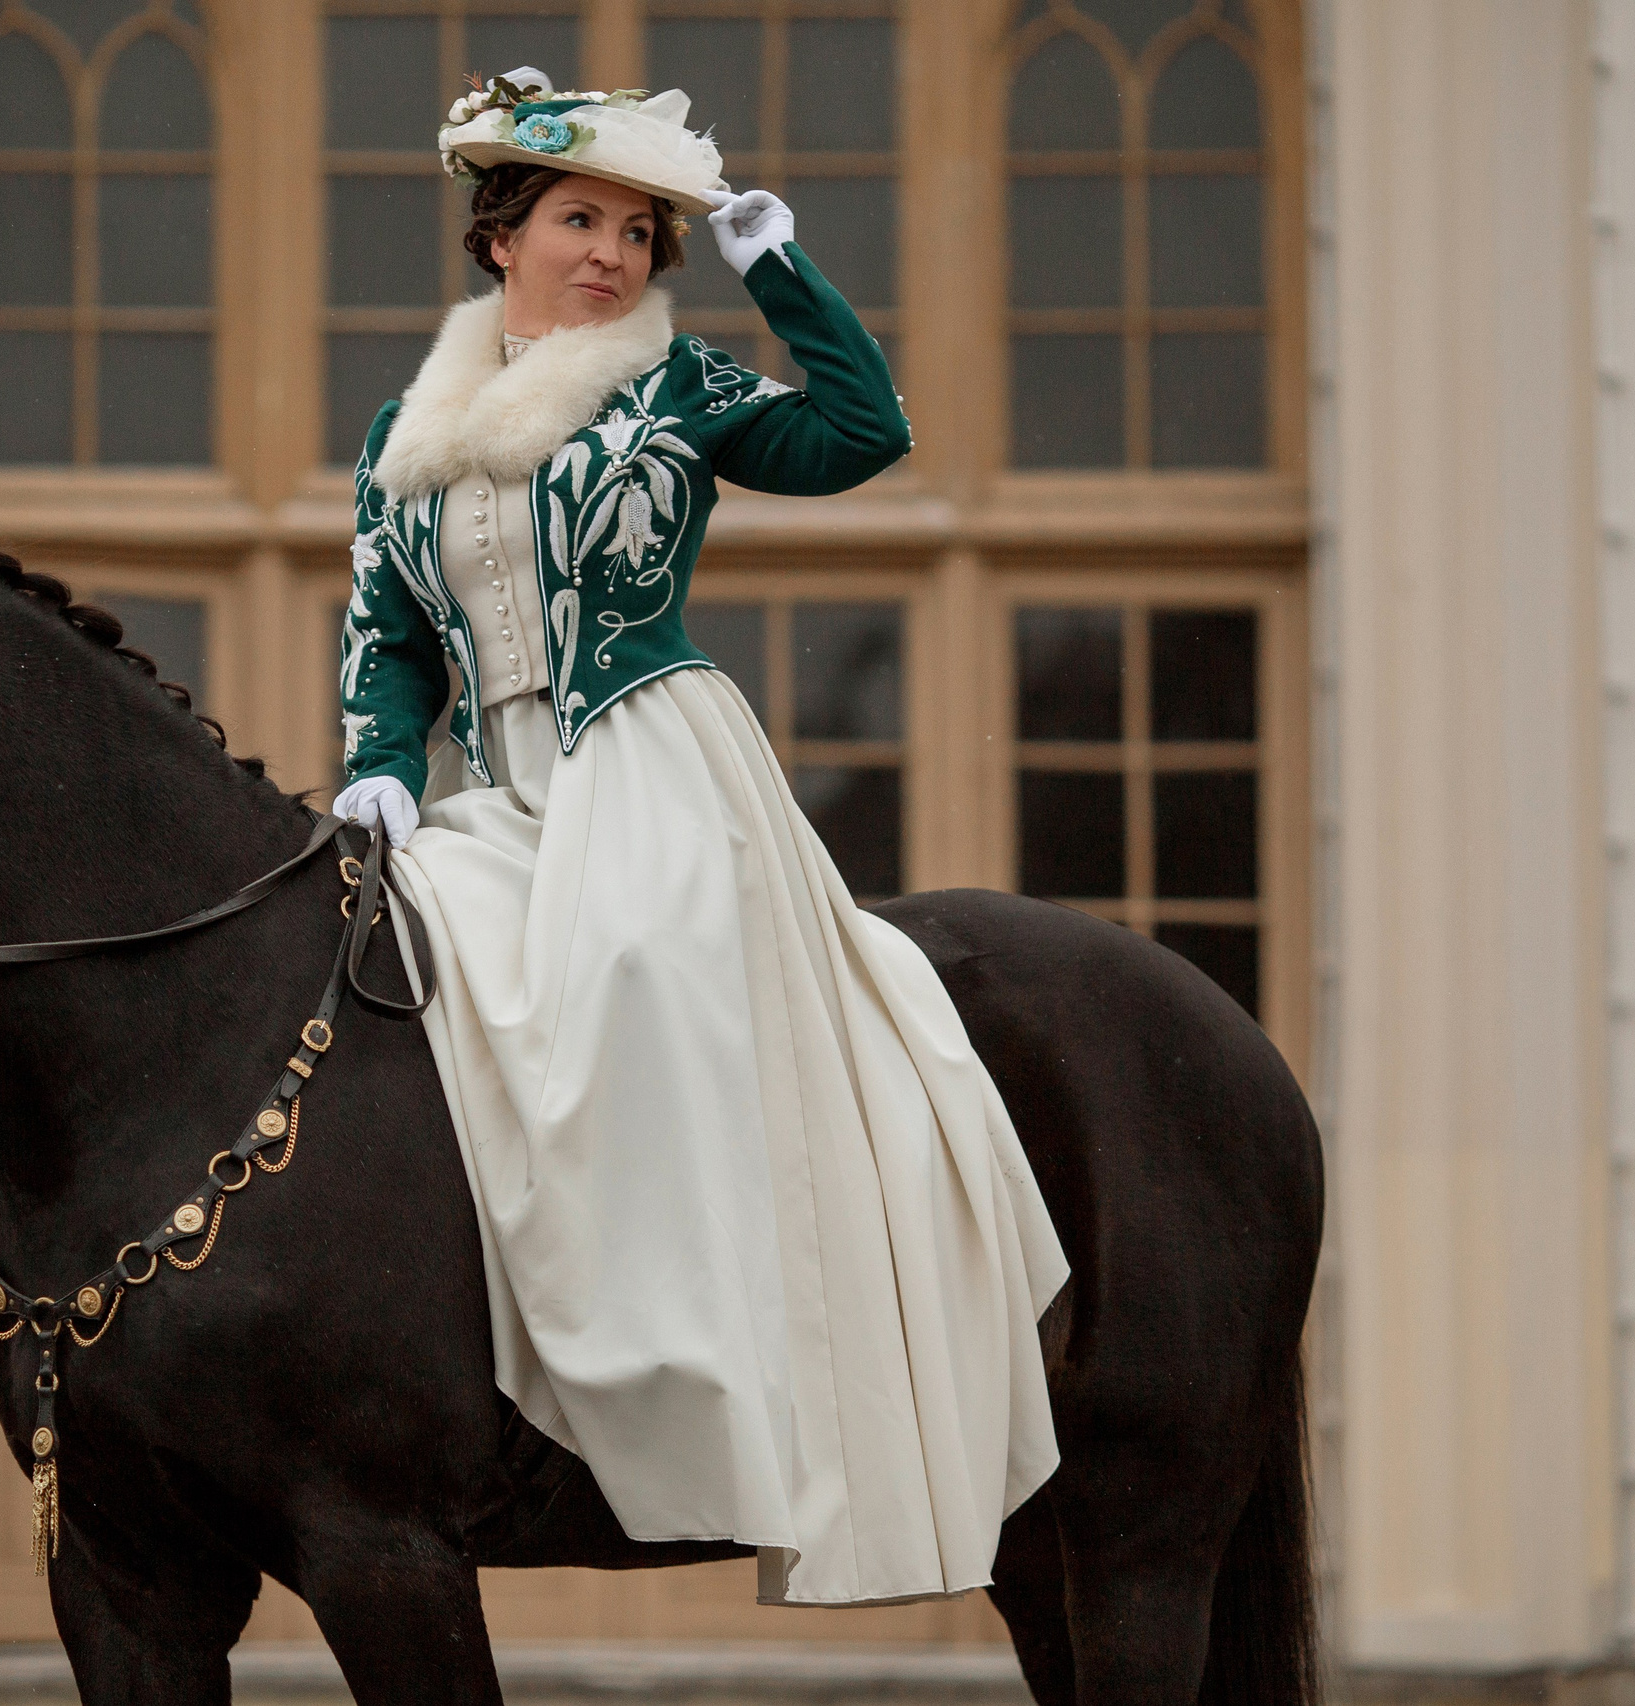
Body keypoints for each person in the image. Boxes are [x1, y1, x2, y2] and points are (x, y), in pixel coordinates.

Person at [331, 70, 1071, 1608]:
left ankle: (711, 1355)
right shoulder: (408, 434)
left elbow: (863, 432)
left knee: (634, 977)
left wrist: (773, 259)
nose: (609, 251)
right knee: (417, 1004)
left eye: (637, 229)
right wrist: (381, 765)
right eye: (576, 218)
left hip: (655, 761)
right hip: (497, 795)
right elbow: (392, 632)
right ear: (502, 237)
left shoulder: (674, 388)